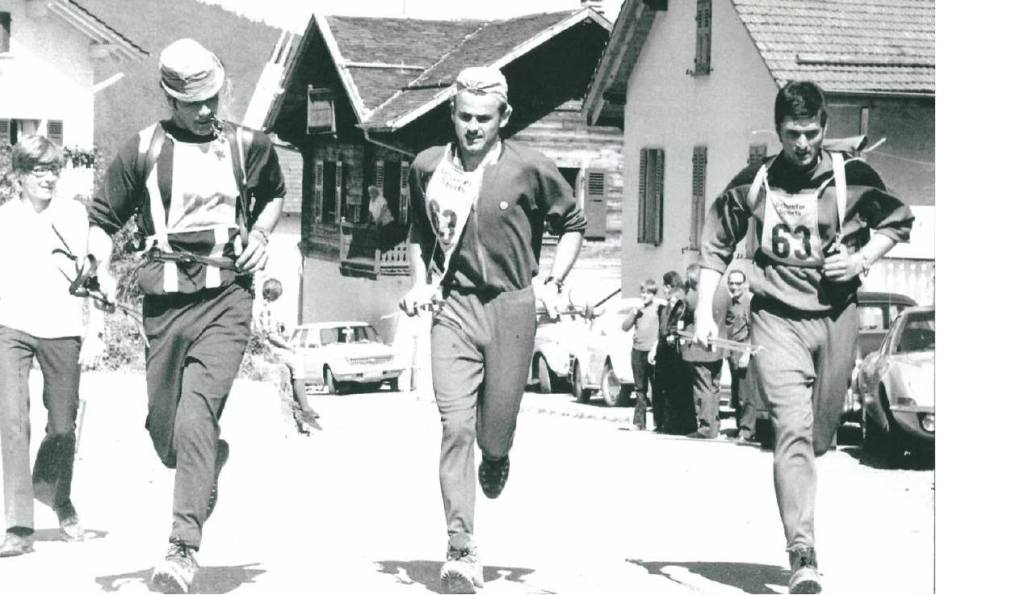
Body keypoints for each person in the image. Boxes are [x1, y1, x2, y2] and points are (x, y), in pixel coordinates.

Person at [692, 81, 913, 593]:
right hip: (776, 318)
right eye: (792, 134)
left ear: (825, 129)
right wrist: (706, 308)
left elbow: (898, 221)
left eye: (811, 133)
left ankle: (811, 471)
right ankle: (802, 552)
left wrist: (859, 258)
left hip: (837, 316)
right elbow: (714, 246)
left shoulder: (852, 176)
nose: (802, 144)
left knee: (819, 435)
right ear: (779, 131)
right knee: (790, 431)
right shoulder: (755, 182)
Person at [86, 39, 286, 594]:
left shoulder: (250, 145)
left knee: (197, 416)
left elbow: (273, 196)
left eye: (212, 97)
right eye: (192, 102)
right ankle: (206, 465)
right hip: (165, 302)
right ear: (168, 97)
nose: (205, 110)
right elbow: (103, 218)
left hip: (227, 297)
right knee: (167, 434)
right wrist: (95, 263)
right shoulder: (143, 150)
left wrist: (261, 237)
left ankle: (181, 548)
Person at [400, 66, 586, 594]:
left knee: (492, 430)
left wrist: (553, 280)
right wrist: (420, 282)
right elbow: (418, 227)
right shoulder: (427, 167)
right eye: (464, 117)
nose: (473, 128)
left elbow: (572, 223)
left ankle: (498, 454)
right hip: (453, 308)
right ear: (451, 115)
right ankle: (461, 547)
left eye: (484, 118)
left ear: (503, 116)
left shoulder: (530, 168)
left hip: (512, 306)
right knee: (455, 426)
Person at [0, 136, 105, 557]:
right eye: (38, 170)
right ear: (19, 176)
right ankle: (19, 525)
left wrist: (96, 329)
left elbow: (91, 277)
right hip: (11, 327)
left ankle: (56, 496)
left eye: (53, 170)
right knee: (12, 422)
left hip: (62, 328)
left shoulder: (74, 214)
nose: (47, 178)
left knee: (63, 426)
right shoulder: (4, 218)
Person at [255, 278, 321, 432]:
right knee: (297, 362)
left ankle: (302, 406)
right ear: (274, 294)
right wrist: (289, 347)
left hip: (268, 346)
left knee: (296, 362)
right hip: (270, 348)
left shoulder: (264, 308)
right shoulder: (268, 309)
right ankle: (305, 408)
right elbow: (271, 336)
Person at [679, 263, 729, 439]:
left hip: (699, 348)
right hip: (719, 346)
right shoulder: (724, 293)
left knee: (702, 388)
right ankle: (714, 424)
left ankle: (705, 427)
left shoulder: (692, 297)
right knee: (715, 387)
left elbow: (681, 316)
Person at [649, 270, 692, 435]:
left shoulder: (679, 303)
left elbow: (676, 324)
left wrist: (671, 335)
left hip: (673, 351)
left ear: (668, 286)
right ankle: (663, 423)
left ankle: (674, 424)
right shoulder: (668, 305)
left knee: (675, 388)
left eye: (665, 287)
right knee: (663, 387)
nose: (664, 291)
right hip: (664, 349)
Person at [621, 278, 659, 430]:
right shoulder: (637, 310)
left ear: (653, 294)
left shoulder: (658, 309)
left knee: (656, 388)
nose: (645, 296)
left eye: (648, 293)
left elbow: (661, 331)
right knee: (639, 389)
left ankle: (659, 422)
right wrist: (634, 312)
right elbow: (624, 327)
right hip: (637, 352)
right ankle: (639, 423)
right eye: (643, 292)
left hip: (652, 353)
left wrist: (656, 348)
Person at [723, 270, 757, 441]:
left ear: (744, 284)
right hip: (732, 352)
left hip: (744, 351)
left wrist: (746, 353)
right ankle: (740, 428)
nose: (734, 286)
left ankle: (747, 431)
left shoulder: (749, 303)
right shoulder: (731, 303)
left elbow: (755, 330)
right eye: (731, 283)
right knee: (736, 393)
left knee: (746, 394)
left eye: (738, 283)